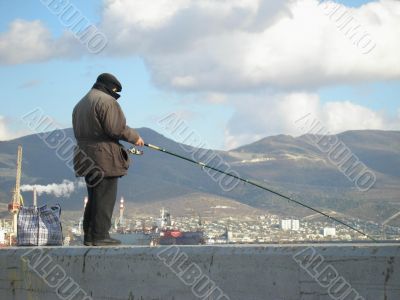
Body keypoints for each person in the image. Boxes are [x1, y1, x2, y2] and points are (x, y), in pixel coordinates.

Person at [72, 73, 144, 246]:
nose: (115, 95)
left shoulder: (81, 104)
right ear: (111, 88)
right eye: (115, 92)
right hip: (103, 156)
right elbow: (115, 128)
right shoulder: (106, 101)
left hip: (84, 156)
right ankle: (100, 236)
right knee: (105, 197)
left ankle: (89, 236)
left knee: (94, 196)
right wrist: (135, 137)